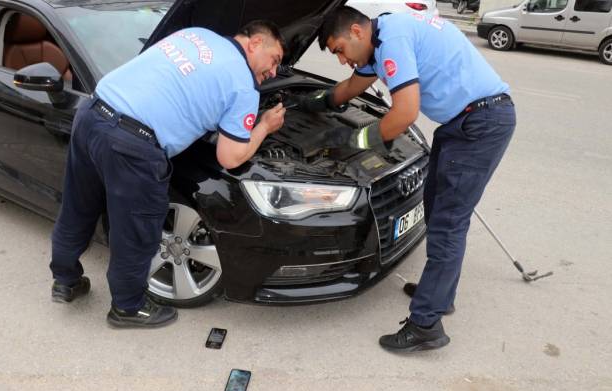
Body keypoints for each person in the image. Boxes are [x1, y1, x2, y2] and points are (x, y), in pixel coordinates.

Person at [48, 21, 286, 328]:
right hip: (132, 144)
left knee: (78, 207)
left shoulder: (197, 34)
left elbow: (181, 82)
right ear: (254, 43)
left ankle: (65, 281)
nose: (275, 72)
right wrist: (264, 126)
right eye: (275, 59)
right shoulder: (242, 86)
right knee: (136, 229)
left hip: (93, 113)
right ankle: (128, 308)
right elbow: (230, 156)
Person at [306, 6, 516, 352]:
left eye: (339, 49)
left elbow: (404, 113)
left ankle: (425, 325)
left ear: (357, 32)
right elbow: (349, 88)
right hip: (463, 123)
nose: (341, 60)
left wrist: (354, 141)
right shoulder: (381, 37)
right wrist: (316, 102)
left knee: (449, 223)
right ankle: (438, 293)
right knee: (436, 210)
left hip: (480, 124)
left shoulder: (393, 38)